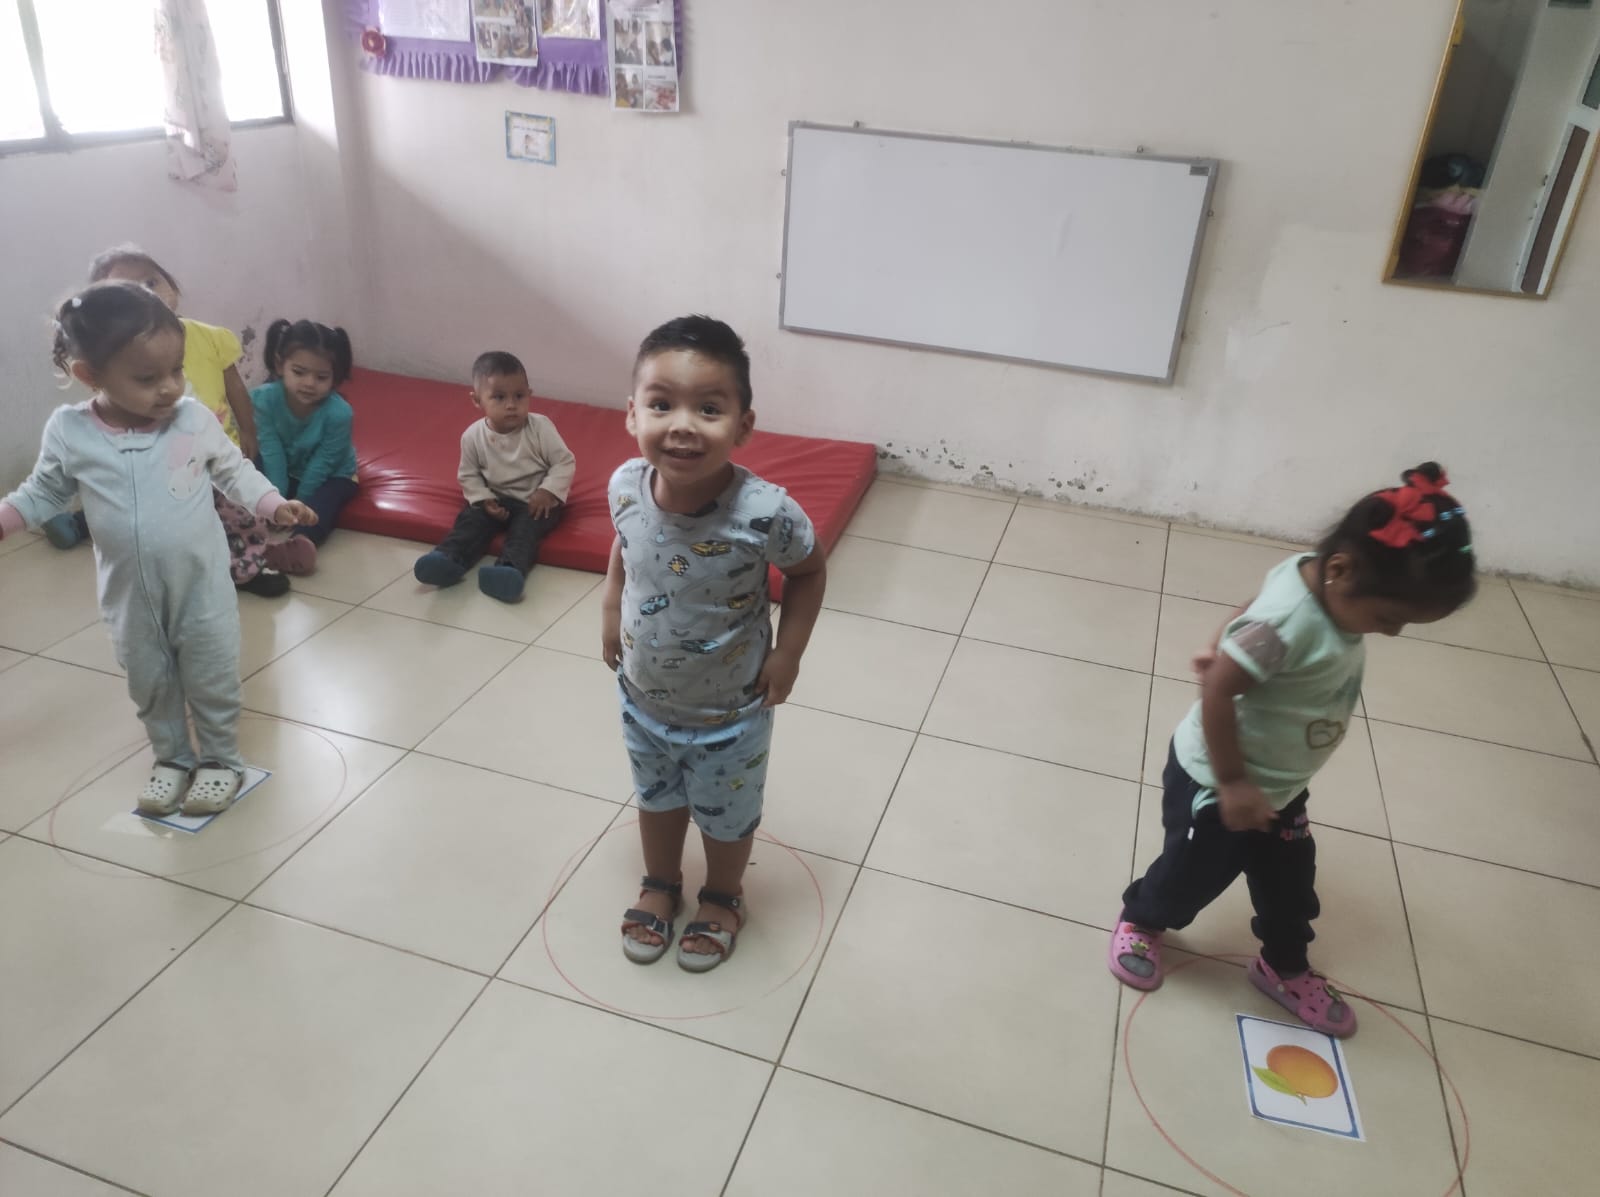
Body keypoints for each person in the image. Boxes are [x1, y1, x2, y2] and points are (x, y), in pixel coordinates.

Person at [1109, 464, 1477, 1037]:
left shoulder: (1313, 578)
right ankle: (1142, 921)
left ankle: (1283, 965)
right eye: (1389, 618)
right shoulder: (1290, 623)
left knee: (1290, 886)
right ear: (1340, 569)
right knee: (1190, 874)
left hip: (1278, 787)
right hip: (1216, 780)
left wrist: (1221, 641)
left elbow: (1250, 605)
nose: (1392, 633)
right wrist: (1233, 781)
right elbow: (1218, 691)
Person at [0, 282, 317, 814]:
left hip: (201, 586)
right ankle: (172, 758)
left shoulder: (191, 420)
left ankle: (221, 760)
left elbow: (233, 470)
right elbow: (44, 492)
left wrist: (272, 504)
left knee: (210, 676)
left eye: (177, 370)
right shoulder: (71, 431)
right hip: (129, 596)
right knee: (150, 681)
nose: (170, 387)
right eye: (147, 378)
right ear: (90, 375)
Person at [606, 316, 827, 973]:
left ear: (743, 425)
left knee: (728, 816)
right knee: (657, 798)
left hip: (731, 710)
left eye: (708, 409)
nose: (682, 425)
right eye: (661, 404)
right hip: (643, 696)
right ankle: (660, 882)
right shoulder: (624, 485)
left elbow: (810, 571)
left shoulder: (765, 512)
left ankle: (724, 895)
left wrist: (789, 653)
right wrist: (610, 605)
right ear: (632, 412)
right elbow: (625, 547)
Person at [47, 248, 294, 598]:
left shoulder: (210, 337)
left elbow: (235, 387)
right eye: (128, 288)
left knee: (239, 512)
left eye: (152, 281)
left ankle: (247, 568)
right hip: (158, 464)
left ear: (172, 285)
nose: (146, 293)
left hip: (216, 450)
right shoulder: (115, 358)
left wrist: (248, 429)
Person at [413, 350, 576, 602]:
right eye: (499, 397)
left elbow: (564, 462)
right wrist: (483, 499)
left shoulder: (540, 427)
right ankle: (448, 558)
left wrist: (547, 491)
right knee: (470, 523)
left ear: (530, 394)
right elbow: (468, 475)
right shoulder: (472, 436)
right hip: (495, 499)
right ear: (477, 400)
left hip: (534, 502)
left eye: (519, 396)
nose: (511, 405)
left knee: (525, 533)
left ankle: (508, 571)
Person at [250, 318, 359, 562]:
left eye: (321, 377)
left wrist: (300, 503)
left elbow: (324, 462)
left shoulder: (339, 413)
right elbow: (270, 450)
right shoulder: (262, 400)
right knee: (246, 473)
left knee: (324, 503)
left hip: (333, 474)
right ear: (280, 365)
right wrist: (276, 502)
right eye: (299, 372)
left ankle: (299, 544)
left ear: (335, 377)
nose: (309, 383)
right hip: (284, 467)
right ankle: (242, 530)